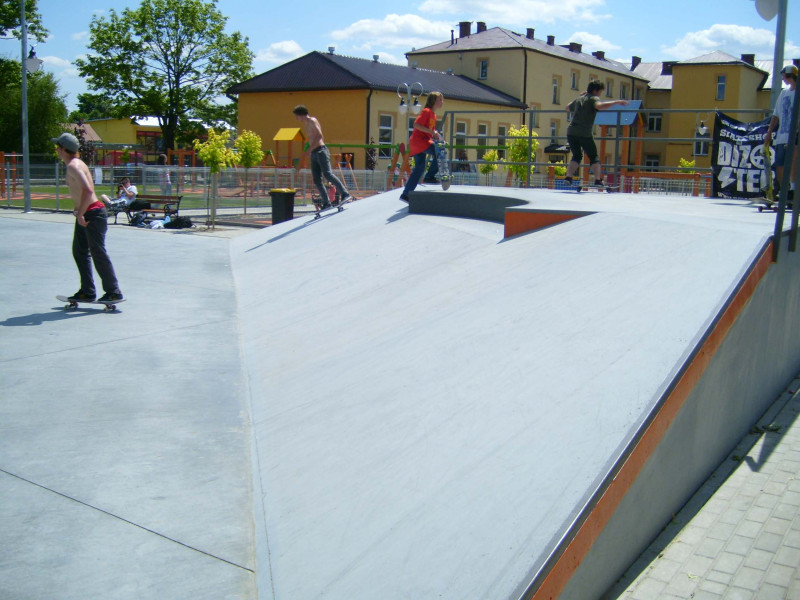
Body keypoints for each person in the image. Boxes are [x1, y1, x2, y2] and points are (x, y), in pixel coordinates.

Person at [53, 132, 123, 303]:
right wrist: (78, 208)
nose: (56, 150)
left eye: (57, 147)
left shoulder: (73, 166)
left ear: (63, 149)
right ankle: (87, 291)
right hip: (88, 211)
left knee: (97, 252)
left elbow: (88, 190)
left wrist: (80, 214)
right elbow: (82, 191)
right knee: (79, 251)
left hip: (93, 214)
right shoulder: (77, 164)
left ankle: (113, 291)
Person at [564, 80, 629, 187]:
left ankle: (568, 177)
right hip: (584, 133)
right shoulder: (593, 98)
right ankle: (598, 180)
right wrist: (616, 102)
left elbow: (567, 107)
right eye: (600, 92)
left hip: (571, 132)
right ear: (595, 91)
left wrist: (580, 97)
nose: (600, 95)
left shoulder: (580, 98)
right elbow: (599, 106)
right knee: (593, 156)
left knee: (576, 155)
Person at [292, 105, 353, 209]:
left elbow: (320, 136)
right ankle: (326, 203)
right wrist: (310, 150)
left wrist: (310, 149)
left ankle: (345, 194)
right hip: (314, 152)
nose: (297, 118)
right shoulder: (306, 124)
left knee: (328, 174)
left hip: (321, 150)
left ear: (301, 114)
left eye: (297, 116)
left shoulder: (312, 120)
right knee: (317, 179)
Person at [401, 91, 444, 202]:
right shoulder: (427, 111)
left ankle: (406, 194)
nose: (442, 102)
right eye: (440, 100)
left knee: (419, 168)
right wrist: (432, 132)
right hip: (419, 142)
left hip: (416, 144)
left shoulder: (433, 115)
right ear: (433, 101)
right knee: (439, 152)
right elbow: (416, 124)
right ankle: (430, 176)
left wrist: (435, 134)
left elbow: (429, 131)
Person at [765, 64, 798, 199]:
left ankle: (793, 190)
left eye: (784, 76)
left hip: (795, 135)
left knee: (793, 163)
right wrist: (769, 132)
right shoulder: (784, 93)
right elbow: (776, 115)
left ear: (789, 76)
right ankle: (784, 190)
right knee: (779, 164)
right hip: (782, 136)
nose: (783, 79)